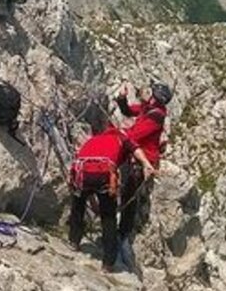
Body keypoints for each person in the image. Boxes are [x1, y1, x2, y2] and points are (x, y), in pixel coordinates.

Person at [68, 115, 155, 273]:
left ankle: (74, 241)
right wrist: (147, 164)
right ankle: (108, 263)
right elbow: (136, 150)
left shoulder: (95, 139)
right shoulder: (122, 138)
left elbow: (82, 155)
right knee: (108, 217)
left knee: (78, 205)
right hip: (103, 173)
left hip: (81, 171)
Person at [115, 81, 172, 241]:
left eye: (150, 92)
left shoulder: (156, 115)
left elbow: (136, 135)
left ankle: (123, 233)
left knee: (130, 194)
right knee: (126, 190)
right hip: (135, 152)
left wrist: (121, 132)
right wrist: (121, 99)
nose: (147, 93)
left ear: (155, 97)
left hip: (143, 159)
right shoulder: (148, 108)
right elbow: (128, 110)